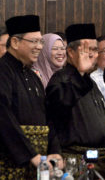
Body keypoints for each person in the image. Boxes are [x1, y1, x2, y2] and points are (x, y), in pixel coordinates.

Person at [45, 24, 105, 177]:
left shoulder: (90, 81)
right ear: (71, 52)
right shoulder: (60, 79)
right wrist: (80, 73)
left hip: (101, 160)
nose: (92, 55)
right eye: (86, 50)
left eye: (95, 50)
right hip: (74, 161)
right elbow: (57, 113)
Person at [0, 15, 62, 179]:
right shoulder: (3, 71)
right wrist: (29, 154)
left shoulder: (33, 76)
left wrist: (54, 151)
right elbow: (3, 116)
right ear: (15, 42)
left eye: (41, 41)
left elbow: (48, 117)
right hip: (11, 161)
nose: (39, 47)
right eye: (34, 41)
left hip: (38, 162)